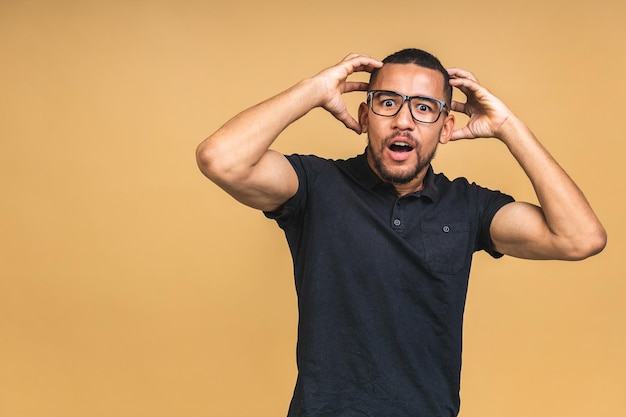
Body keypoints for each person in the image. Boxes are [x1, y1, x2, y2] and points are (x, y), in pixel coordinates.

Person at [196, 48, 607, 417]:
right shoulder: (316, 185)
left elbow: (580, 238)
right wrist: (314, 89)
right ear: (362, 117)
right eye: (388, 103)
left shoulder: (468, 206)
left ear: (446, 128)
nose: (403, 122)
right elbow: (221, 159)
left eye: (425, 108)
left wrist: (508, 126)